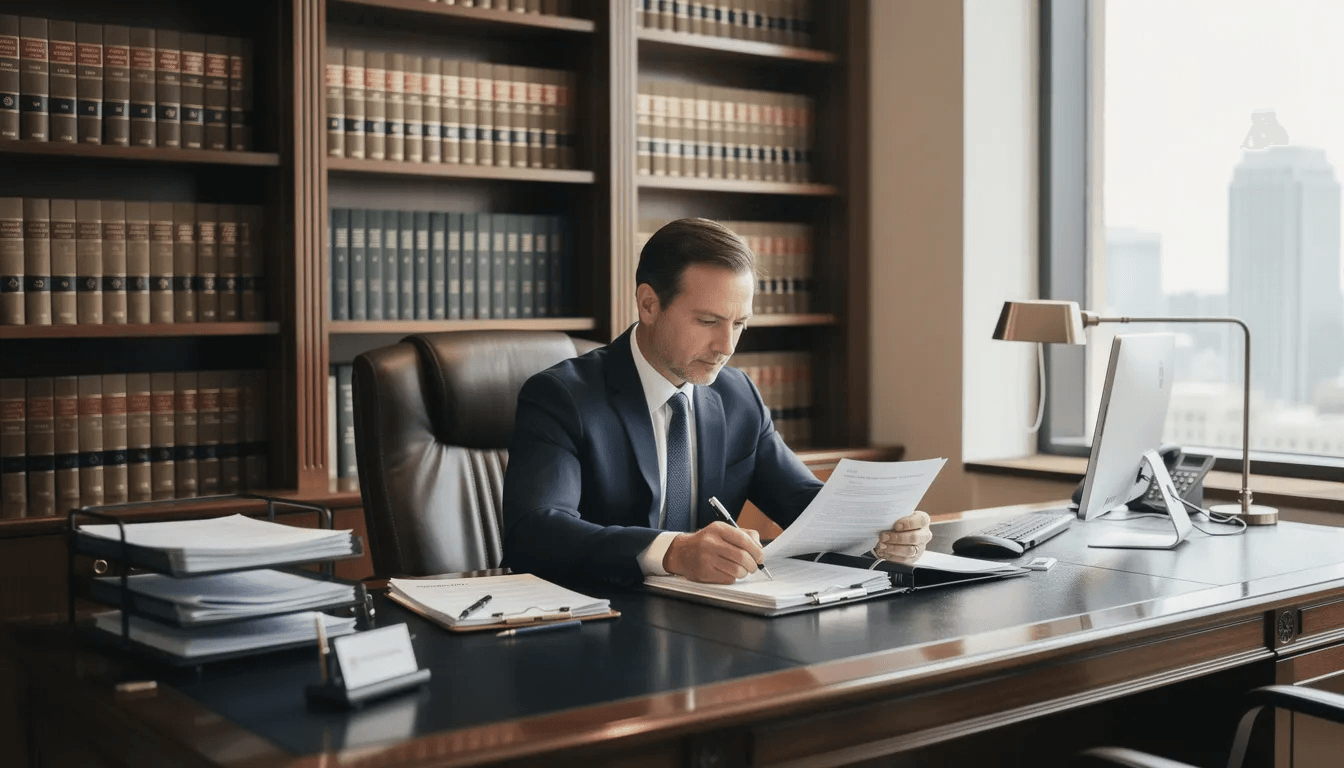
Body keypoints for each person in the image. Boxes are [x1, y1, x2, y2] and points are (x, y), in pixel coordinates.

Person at [501, 218, 931, 585]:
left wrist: (881, 529)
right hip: (594, 623)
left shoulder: (737, 395)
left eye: (739, 323)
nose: (726, 346)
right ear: (649, 304)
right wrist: (673, 553)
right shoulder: (563, 397)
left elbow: (805, 502)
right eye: (708, 321)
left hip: (704, 626)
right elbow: (536, 532)